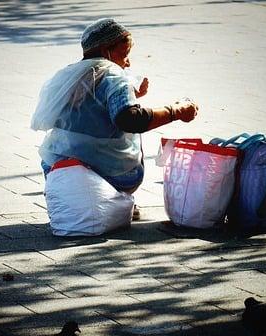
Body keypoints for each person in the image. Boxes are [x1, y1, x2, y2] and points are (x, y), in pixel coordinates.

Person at [31, 18, 199, 219]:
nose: (128, 62)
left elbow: (88, 109)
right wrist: (176, 111)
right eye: (124, 54)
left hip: (55, 169)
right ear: (105, 51)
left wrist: (132, 96)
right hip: (108, 173)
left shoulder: (67, 75)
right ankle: (117, 197)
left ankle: (79, 198)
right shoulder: (114, 75)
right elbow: (130, 120)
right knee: (132, 140)